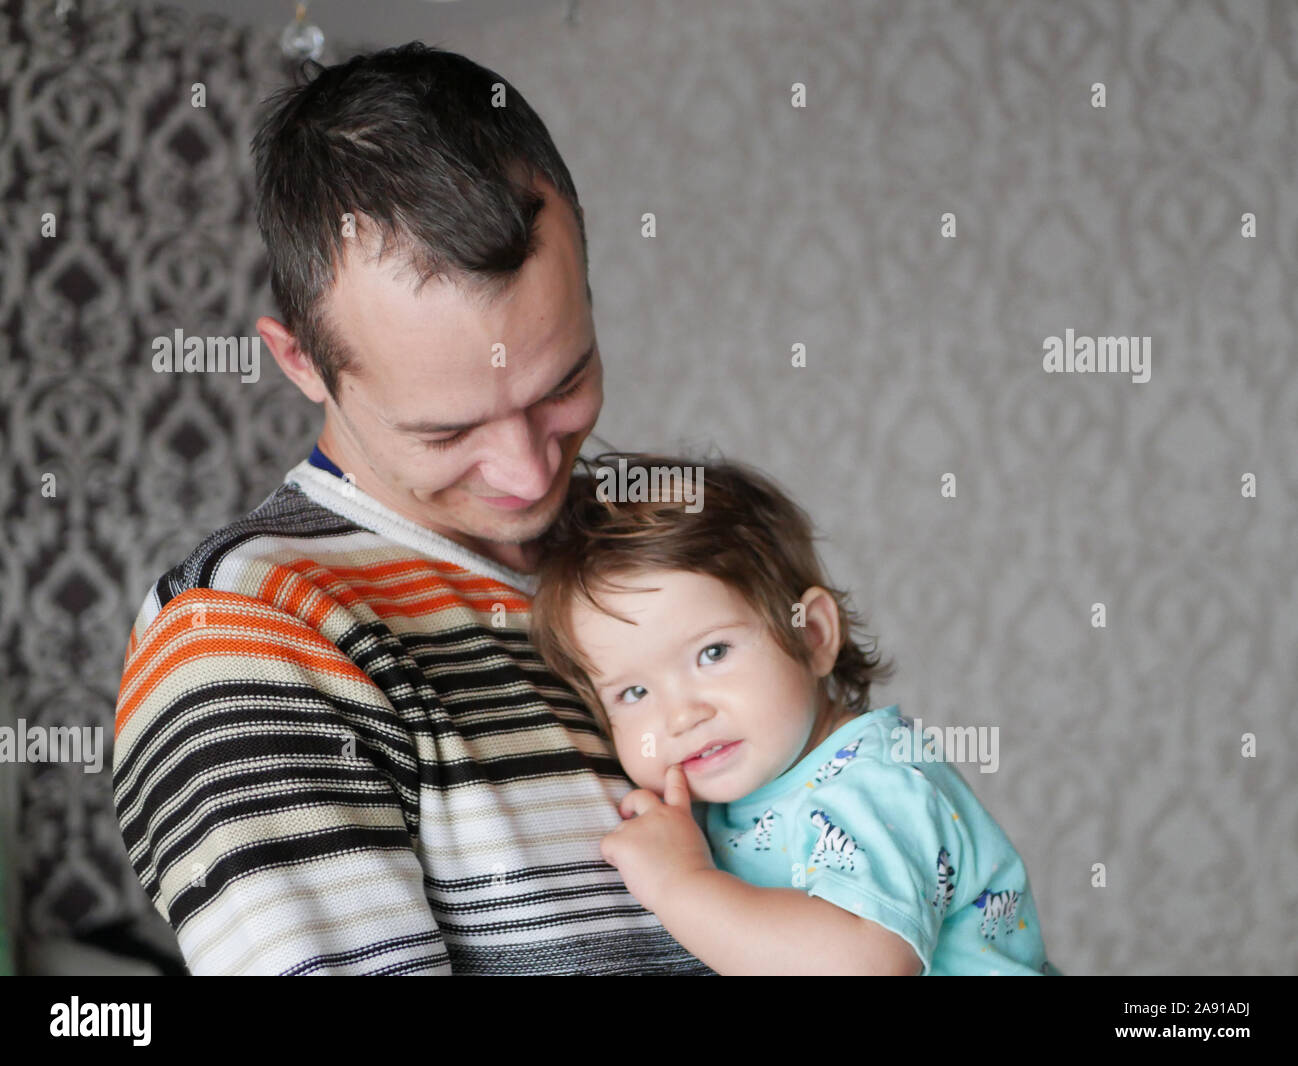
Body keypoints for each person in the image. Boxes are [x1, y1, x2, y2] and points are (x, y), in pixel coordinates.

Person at [111, 43, 712, 975]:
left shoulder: (658, 547)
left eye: (567, 382)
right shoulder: (248, 637)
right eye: (446, 431)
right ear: (302, 362)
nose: (525, 471)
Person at [528, 453, 1062, 975]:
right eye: (634, 692)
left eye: (712, 653)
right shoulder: (727, 801)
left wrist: (682, 882)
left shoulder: (876, 780)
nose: (682, 715)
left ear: (813, 636)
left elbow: (861, 966)